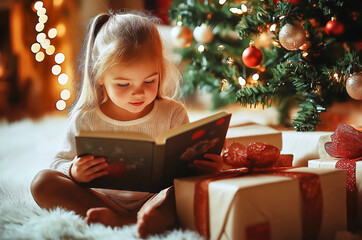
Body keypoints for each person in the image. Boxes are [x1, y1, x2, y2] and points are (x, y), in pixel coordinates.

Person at [30, 10, 222, 238]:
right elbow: (58, 163)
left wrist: (202, 167)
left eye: (149, 80)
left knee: (178, 192)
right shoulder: (86, 118)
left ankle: (130, 221)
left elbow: (183, 168)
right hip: (100, 199)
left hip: (158, 200)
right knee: (42, 182)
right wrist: (73, 171)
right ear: (98, 76)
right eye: (123, 84)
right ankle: (132, 221)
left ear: (160, 70)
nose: (138, 92)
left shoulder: (173, 113)